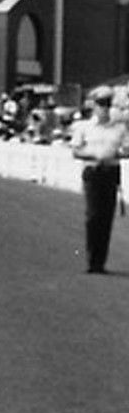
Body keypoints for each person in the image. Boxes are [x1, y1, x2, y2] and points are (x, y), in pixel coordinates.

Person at [69, 85, 129, 274]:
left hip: (110, 172)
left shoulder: (119, 128)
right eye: (101, 104)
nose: (104, 108)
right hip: (93, 171)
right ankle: (92, 259)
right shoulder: (84, 127)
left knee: (106, 217)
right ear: (94, 105)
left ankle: (100, 262)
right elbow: (76, 151)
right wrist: (94, 155)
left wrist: (117, 153)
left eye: (107, 104)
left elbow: (126, 149)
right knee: (93, 216)